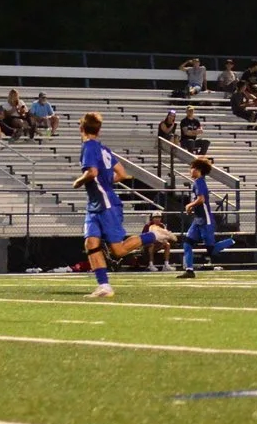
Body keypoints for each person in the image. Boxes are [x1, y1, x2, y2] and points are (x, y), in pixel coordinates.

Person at [74, 112, 168, 298]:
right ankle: (104, 286)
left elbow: (92, 172)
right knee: (91, 243)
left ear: (81, 128)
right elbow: (122, 173)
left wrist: (78, 182)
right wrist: (106, 182)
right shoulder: (104, 149)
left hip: (106, 204)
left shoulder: (88, 146)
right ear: (99, 130)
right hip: (95, 204)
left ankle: (154, 234)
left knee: (118, 250)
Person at [179, 156, 235, 277]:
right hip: (198, 220)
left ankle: (232, 240)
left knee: (211, 250)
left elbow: (201, 199)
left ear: (197, 170)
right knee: (187, 243)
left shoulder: (199, 182)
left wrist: (189, 205)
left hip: (205, 220)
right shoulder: (198, 182)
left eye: (192, 168)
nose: (190, 171)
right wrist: (192, 207)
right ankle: (189, 270)